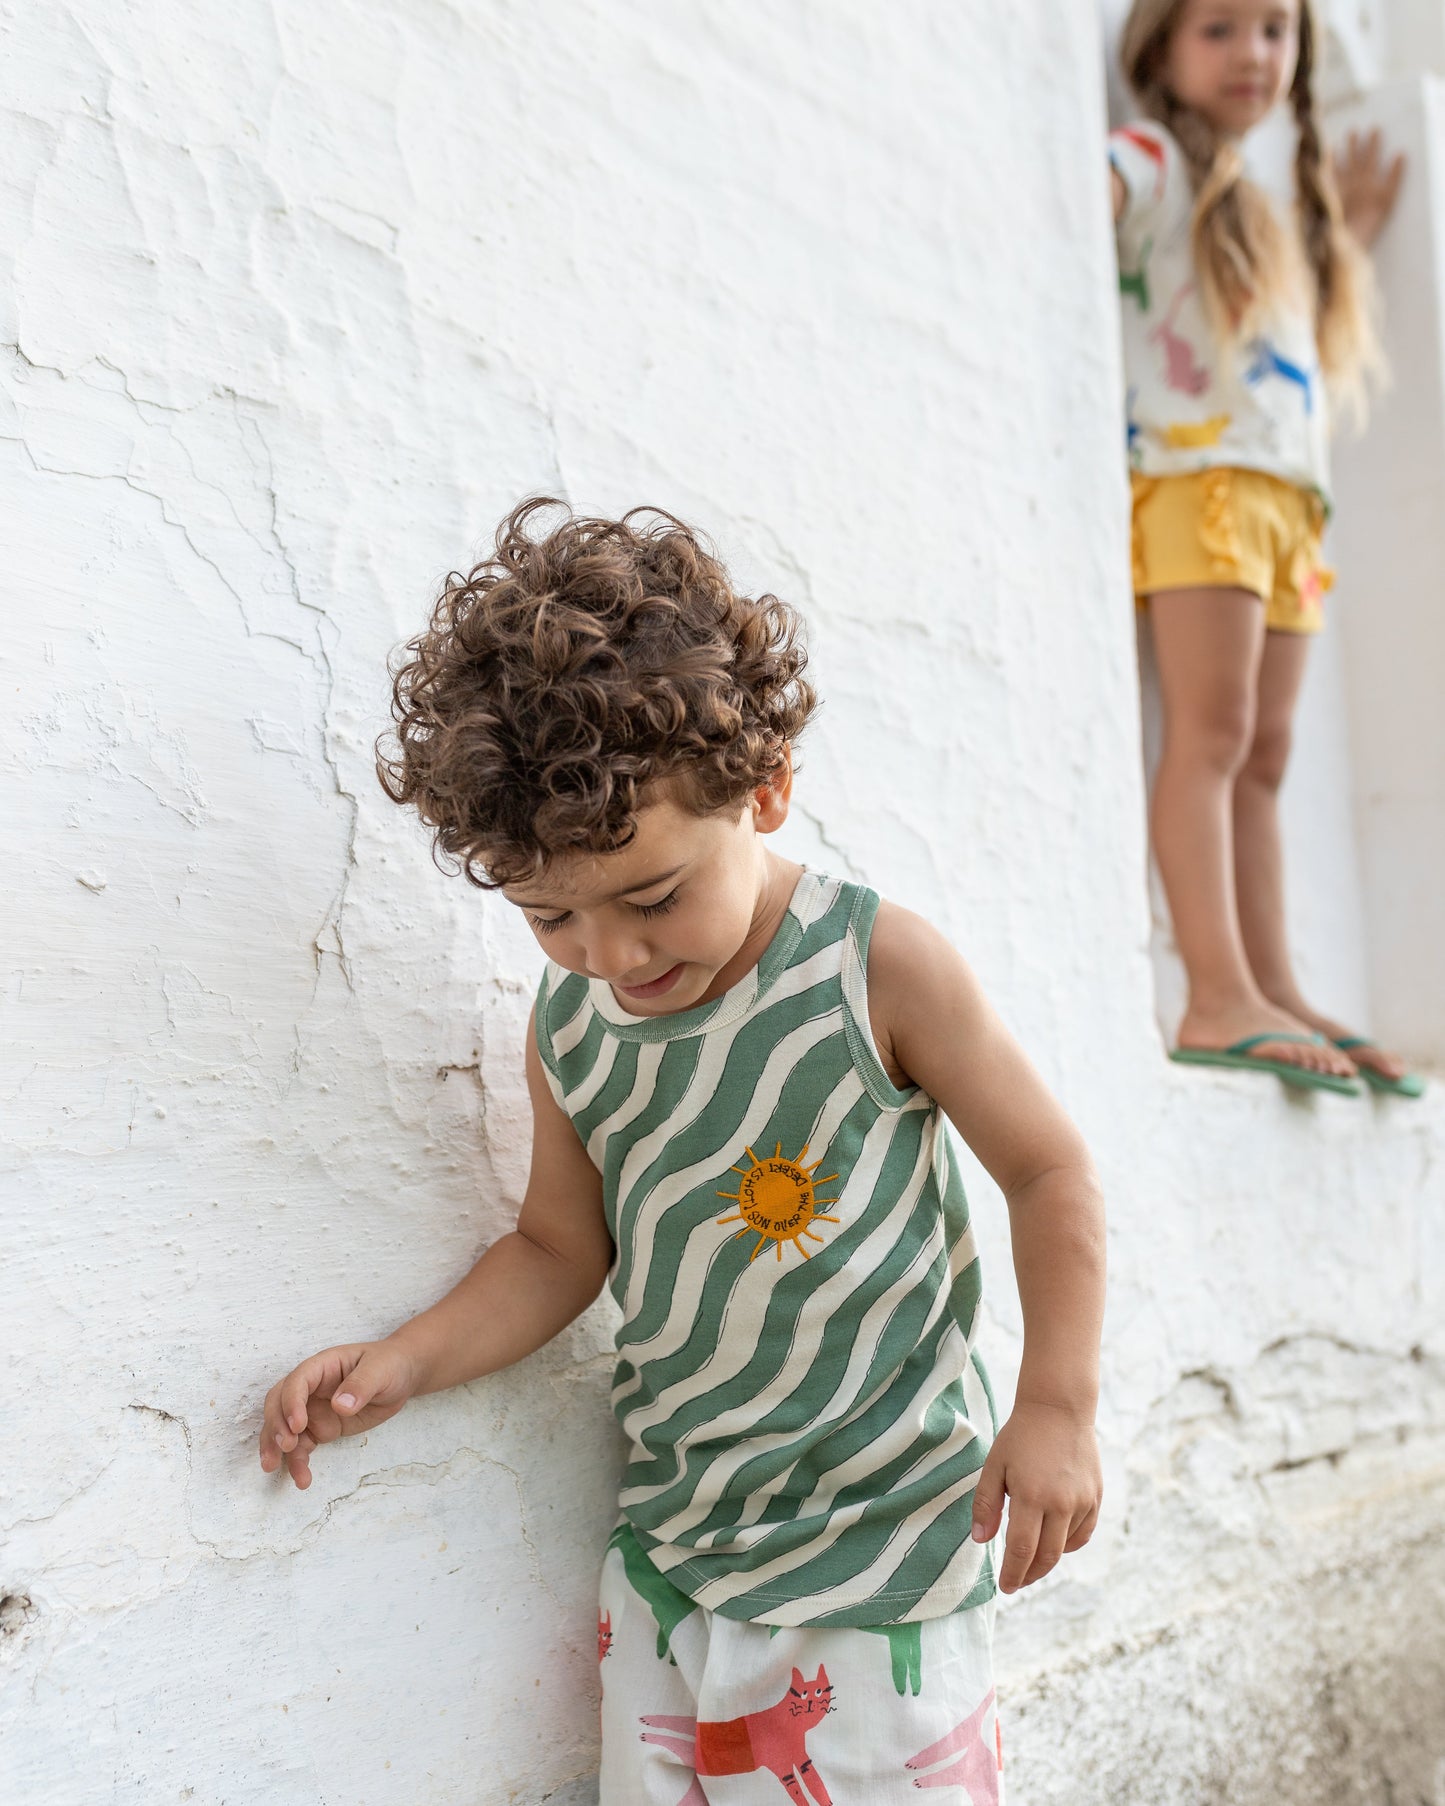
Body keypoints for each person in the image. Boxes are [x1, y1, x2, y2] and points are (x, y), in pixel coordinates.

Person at [257, 500, 1106, 1802]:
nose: (614, 954)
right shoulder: (574, 1031)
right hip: (677, 1555)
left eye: (651, 895)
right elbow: (556, 1247)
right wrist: (405, 1359)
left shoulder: (872, 968)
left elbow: (1049, 1169)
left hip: (883, 1550)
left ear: (761, 789)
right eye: (552, 917)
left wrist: (1055, 1401)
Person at [1111, 0, 1422, 1097]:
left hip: (1287, 503)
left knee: (1266, 754)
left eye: (1273, 32)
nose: (1252, 53)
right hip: (1199, 484)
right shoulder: (1148, 158)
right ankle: (1213, 989)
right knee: (1212, 733)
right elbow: (1088, 203)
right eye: (1219, 29)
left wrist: (1352, 224)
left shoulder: (1259, 201)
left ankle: (1271, 982)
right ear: (1158, 50)